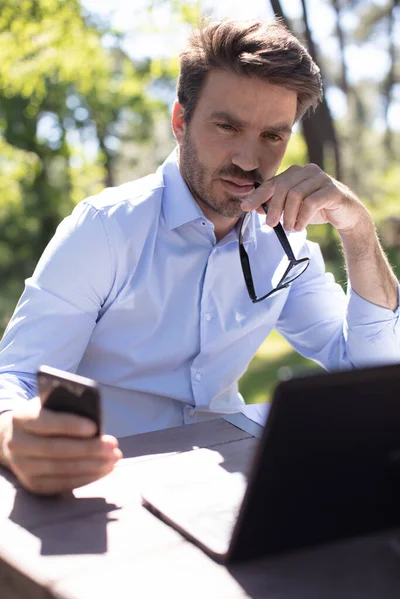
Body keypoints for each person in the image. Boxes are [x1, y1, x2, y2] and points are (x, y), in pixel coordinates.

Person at [0, 19, 399, 496]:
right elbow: (16, 376)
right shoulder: (106, 229)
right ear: (180, 122)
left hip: (228, 477)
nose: (249, 160)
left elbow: (371, 373)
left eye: (273, 136)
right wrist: (13, 431)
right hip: (113, 480)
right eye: (228, 126)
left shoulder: (285, 242)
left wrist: (357, 229)